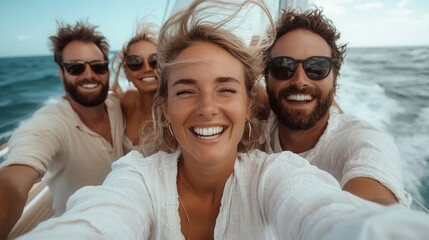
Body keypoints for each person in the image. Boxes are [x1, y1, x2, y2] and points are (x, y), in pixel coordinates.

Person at [17, 1, 429, 239]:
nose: (207, 107)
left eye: (226, 88)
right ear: (163, 106)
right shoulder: (136, 177)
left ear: (249, 103)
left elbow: (335, 214)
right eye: (185, 90)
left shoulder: (277, 173)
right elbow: (100, 220)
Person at [260, 8, 411, 207]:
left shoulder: (363, 141)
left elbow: (374, 207)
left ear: (335, 79)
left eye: (317, 68)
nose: (299, 80)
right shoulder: (254, 128)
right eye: (282, 67)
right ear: (266, 78)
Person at [0, 21, 124, 239]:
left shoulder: (120, 106)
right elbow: (13, 181)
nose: (89, 75)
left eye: (98, 66)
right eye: (76, 67)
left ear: (107, 68)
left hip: (131, 217)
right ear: (61, 72)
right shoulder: (50, 122)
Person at [110, 23, 159, 153]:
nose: (147, 68)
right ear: (126, 72)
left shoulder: (174, 110)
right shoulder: (128, 101)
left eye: (155, 60)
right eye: (135, 62)